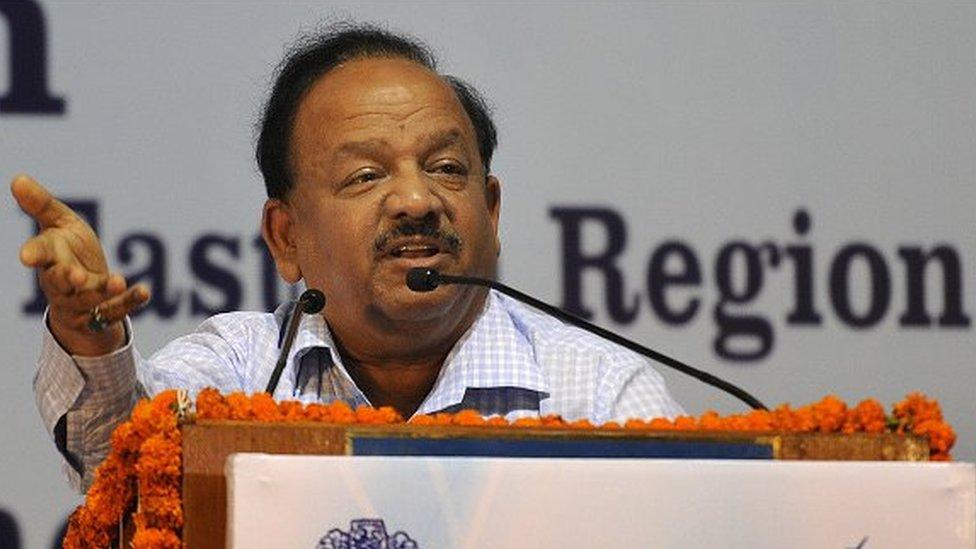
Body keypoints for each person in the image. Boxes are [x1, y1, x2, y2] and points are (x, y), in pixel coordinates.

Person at [13, 23, 683, 492]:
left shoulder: (601, 394)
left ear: (493, 209)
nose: (418, 199)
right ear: (287, 237)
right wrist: (91, 336)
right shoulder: (239, 375)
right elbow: (119, 469)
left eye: (447, 167)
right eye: (366, 176)